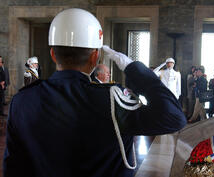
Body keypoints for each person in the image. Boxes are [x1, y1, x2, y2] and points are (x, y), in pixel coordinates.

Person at [4, 8, 187, 177]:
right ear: (95, 57)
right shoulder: (113, 100)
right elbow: (174, 118)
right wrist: (135, 69)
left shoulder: (22, 100)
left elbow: (13, 166)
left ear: (53, 54)